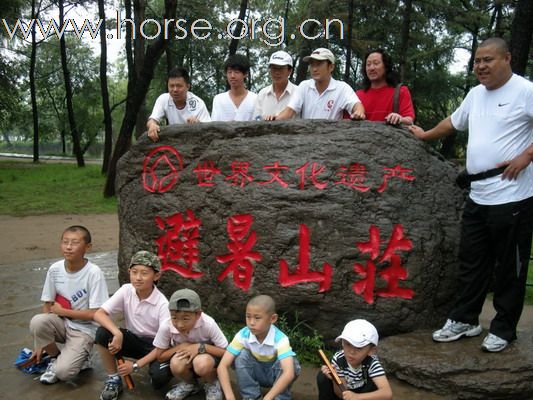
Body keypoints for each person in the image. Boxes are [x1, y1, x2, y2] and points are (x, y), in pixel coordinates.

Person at [409, 37, 533, 352]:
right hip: (478, 195)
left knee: (509, 267)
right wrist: (425, 135)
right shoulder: (476, 95)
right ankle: (465, 319)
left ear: (507, 58)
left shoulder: (525, 91)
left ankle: (504, 329)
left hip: (514, 196)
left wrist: (527, 155)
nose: (480, 66)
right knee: (472, 262)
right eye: (477, 61)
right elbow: (454, 122)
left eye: (488, 60)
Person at [29, 225, 109, 385]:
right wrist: (40, 343)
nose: (68, 247)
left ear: (88, 247)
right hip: (62, 323)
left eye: (74, 242)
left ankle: (82, 358)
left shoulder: (94, 273)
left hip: (85, 329)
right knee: (37, 321)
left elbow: (96, 313)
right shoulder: (55, 269)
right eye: (65, 242)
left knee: (64, 373)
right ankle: (54, 358)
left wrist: (64, 311)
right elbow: (47, 303)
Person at [94, 251, 172, 400]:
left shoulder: (163, 304)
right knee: (103, 333)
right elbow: (99, 314)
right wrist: (117, 333)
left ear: (156, 276)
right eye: (134, 272)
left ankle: (156, 369)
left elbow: (163, 344)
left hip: (156, 346)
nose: (138, 278)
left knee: (159, 380)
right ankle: (113, 378)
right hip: (133, 339)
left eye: (144, 273)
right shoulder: (126, 290)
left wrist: (135, 366)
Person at [218, 295, 300, 400]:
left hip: (275, 374)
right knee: (241, 356)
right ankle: (251, 396)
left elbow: (288, 374)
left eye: (257, 318)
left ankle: (280, 397)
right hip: (257, 371)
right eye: (248, 317)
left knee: (291, 363)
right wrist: (230, 397)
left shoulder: (280, 339)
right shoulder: (243, 335)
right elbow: (222, 366)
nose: (251, 323)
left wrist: (268, 398)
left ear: (273, 318)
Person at [154, 288, 228, 400]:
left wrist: (200, 347)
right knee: (176, 364)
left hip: (208, 357)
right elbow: (160, 356)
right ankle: (190, 384)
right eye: (174, 318)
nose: (179, 324)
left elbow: (226, 352)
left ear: (198, 314)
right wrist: (180, 347)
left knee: (202, 364)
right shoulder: (166, 326)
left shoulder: (208, 324)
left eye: (185, 319)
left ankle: (212, 383)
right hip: (184, 356)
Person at [268, 48, 365, 121]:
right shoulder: (304, 86)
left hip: (332, 142)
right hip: (306, 141)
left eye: (319, 64)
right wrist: (275, 120)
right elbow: (290, 110)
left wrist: (358, 113)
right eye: (312, 64)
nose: (314, 68)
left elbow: (356, 105)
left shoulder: (342, 88)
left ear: (331, 67)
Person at [317, 319, 392, 400]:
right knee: (323, 377)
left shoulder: (372, 363)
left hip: (364, 395)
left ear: (371, 350)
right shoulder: (339, 359)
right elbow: (341, 394)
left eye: (359, 347)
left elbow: (387, 393)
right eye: (348, 344)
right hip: (347, 394)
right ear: (342, 342)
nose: (352, 352)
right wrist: (334, 378)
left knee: (376, 384)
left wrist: (357, 397)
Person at [147, 67, 211, 142]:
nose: (175, 90)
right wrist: (152, 125)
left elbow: (208, 130)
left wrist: (198, 124)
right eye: (171, 86)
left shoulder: (198, 103)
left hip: (195, 142)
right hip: (174, 142)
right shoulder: (163, 99)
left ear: (188, 86)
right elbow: (152, 120)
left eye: (179, 86)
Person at [356, 49, 415, 125]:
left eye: (376, 63)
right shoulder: (358, 95)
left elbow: (409, 120)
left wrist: (400, 118)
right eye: (368, 64)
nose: (371, 68)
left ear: (386, 67)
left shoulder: (401, 91)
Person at [211, 54, 257, 121]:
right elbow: (214, 125)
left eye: (236, 72)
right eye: (229, 72)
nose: (232, 76)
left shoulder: (255, 99)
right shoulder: (218, 100)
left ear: (245, 74)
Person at [253, 51, 297, 120]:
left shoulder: (298, 93)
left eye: (281, 68)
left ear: (290, 71)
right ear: (269, 70)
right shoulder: (262, 94)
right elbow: (256, 120)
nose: (277, 72)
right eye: (274, 68)